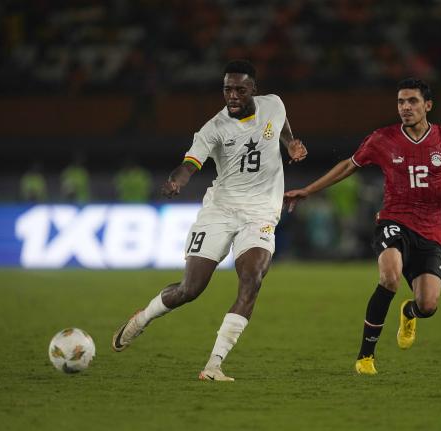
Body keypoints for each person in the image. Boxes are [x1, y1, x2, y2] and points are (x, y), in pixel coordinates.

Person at [284, 78, 441, 375]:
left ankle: (409, 311)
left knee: (428, 305)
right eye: (401, 102)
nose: (405, 107)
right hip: (394, 220)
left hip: (431, 231)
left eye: (412, 101)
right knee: (390, 277)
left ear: (428, 105)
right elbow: (349, 165)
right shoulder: (382, 138)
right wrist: (309, 190)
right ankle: (365, 357)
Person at [112, 60, 307, 381]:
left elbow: (283, 128)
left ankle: (214, 364)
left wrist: (292, 144)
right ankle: (143, 318)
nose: (232, 95)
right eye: (227, 89)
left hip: (260, 213)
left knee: (252, 280)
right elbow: (189, 164)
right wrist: (177, 180)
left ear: (253, 90)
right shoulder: (213, 129)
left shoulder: (274, 104)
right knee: (190, 289)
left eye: (240, 89)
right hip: (221, 211)